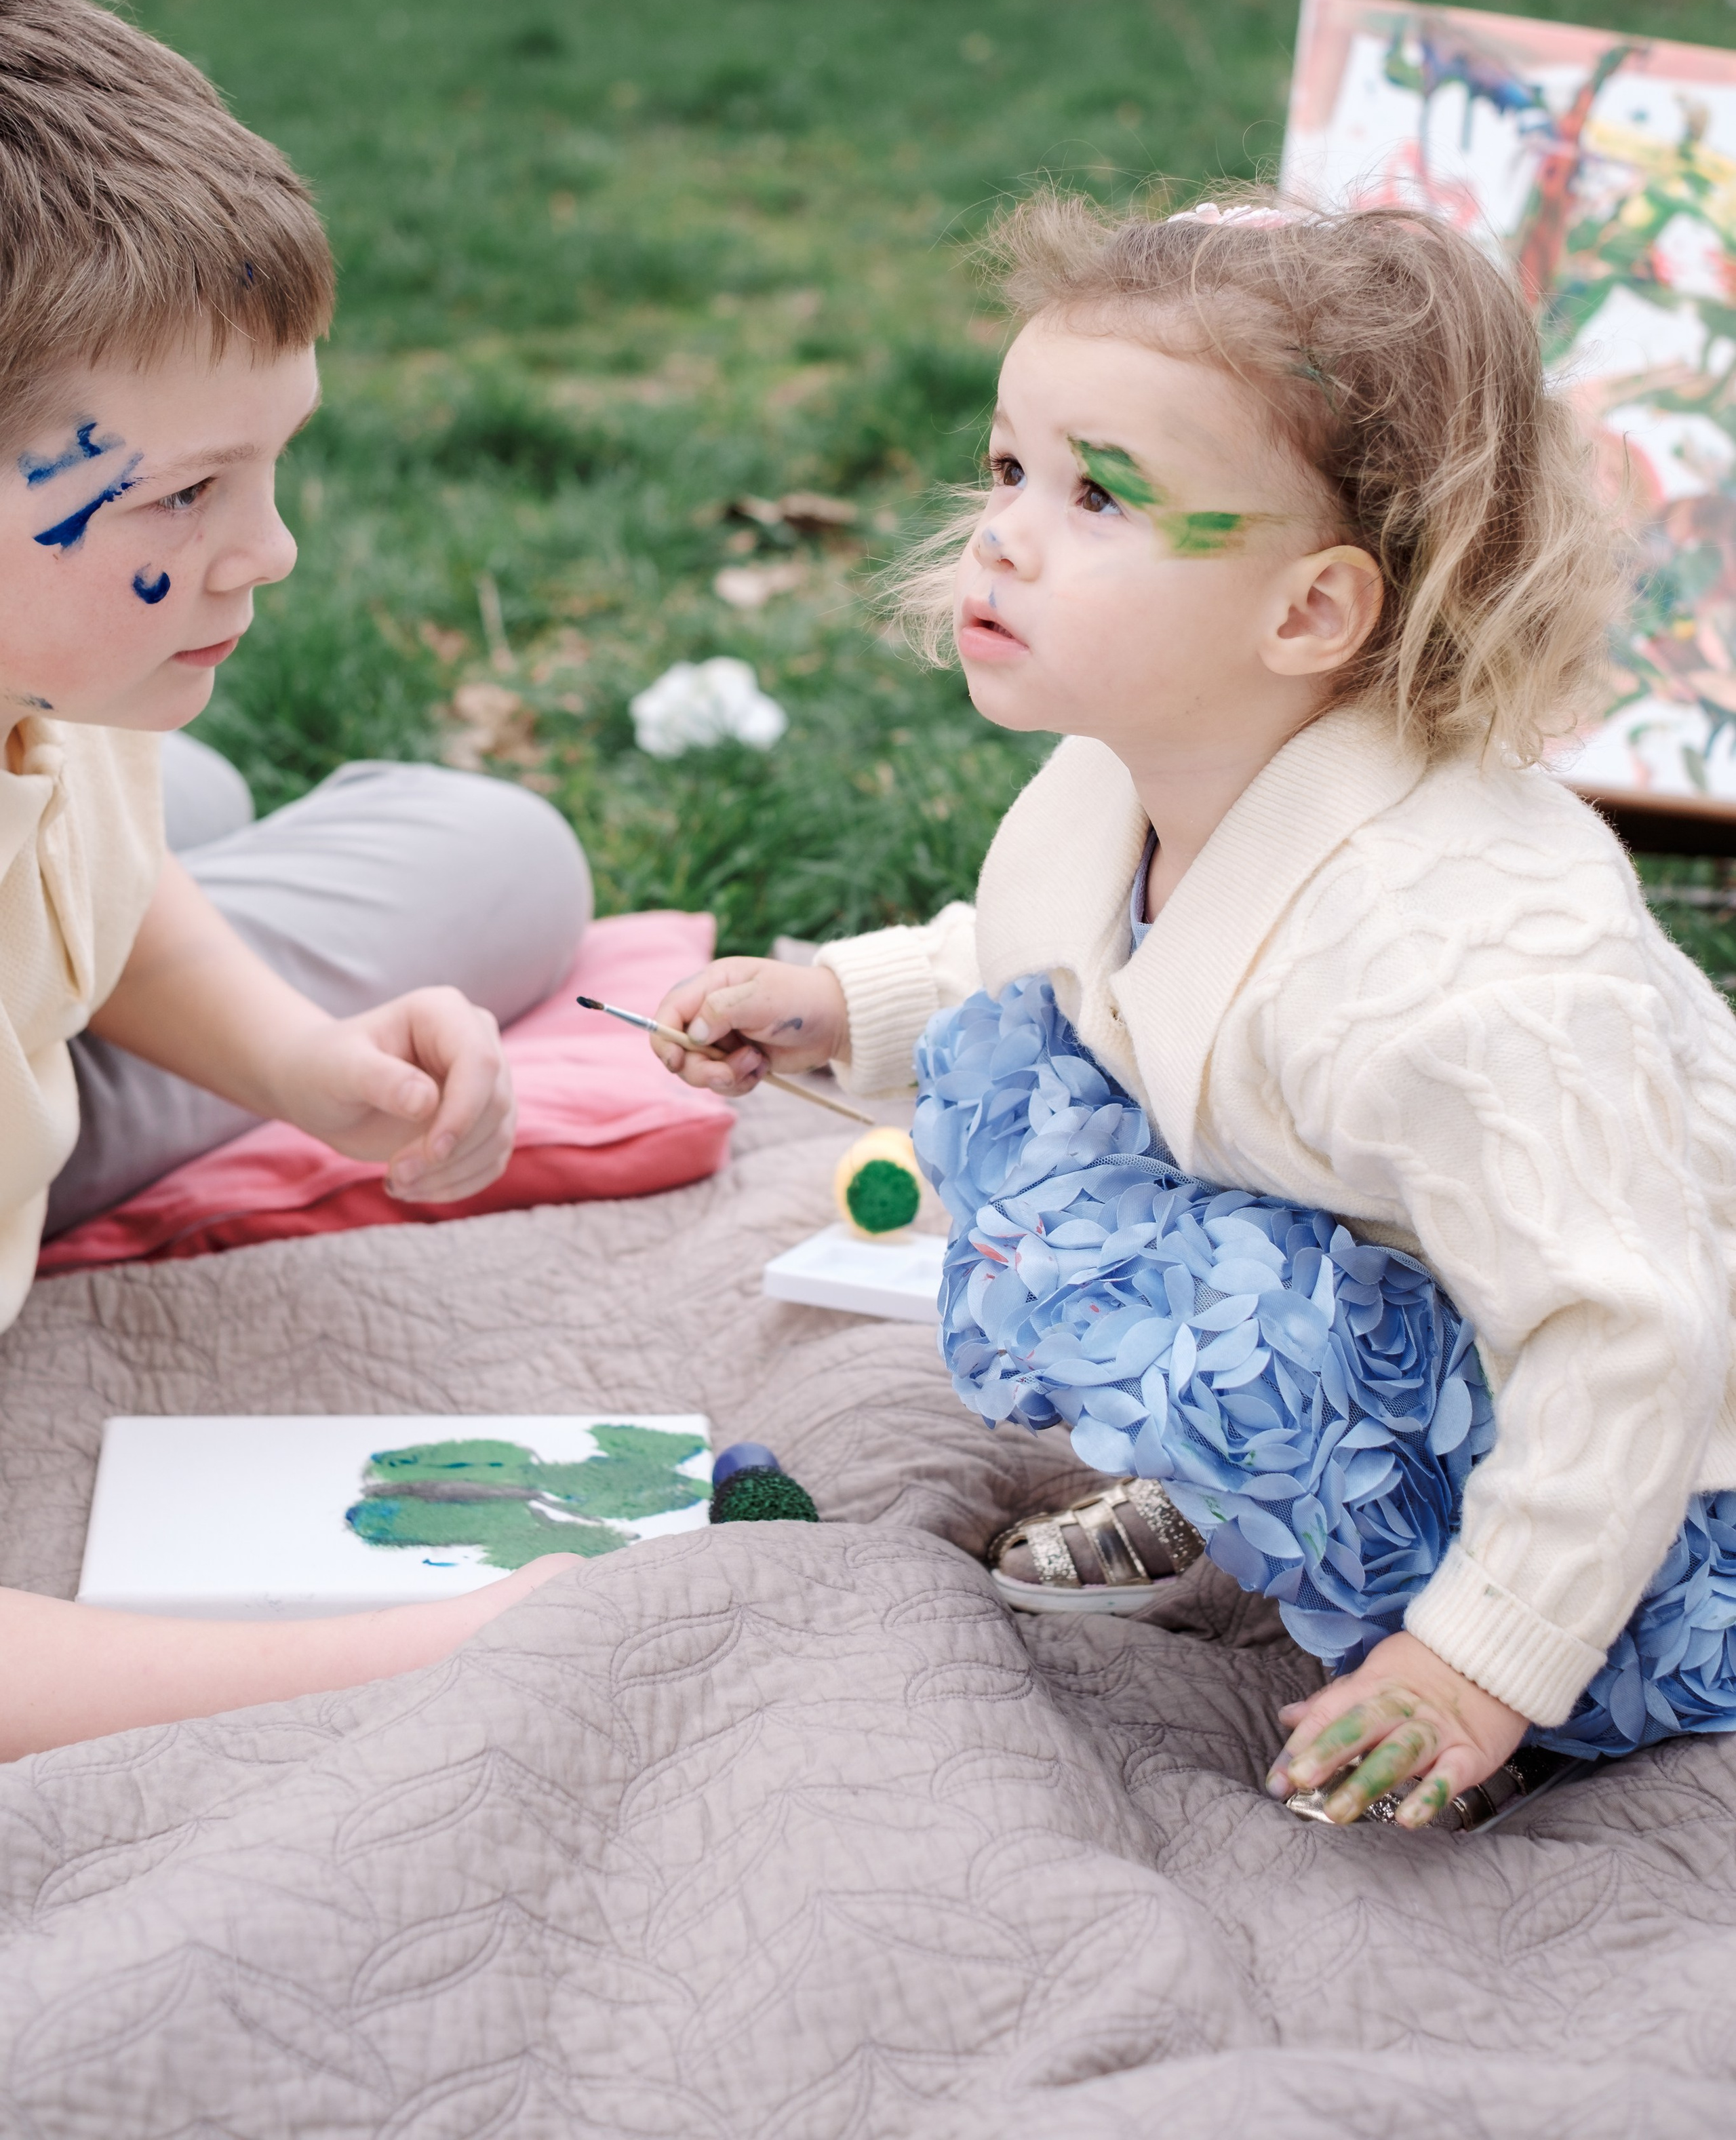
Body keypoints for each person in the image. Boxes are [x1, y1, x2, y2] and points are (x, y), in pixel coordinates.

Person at [654, 191, 1736, 1831]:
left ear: (1309, 611)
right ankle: (1291, 1500)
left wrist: (1476, 1662)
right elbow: (1047, 968)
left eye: (1100, 496)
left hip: (1666, 1480)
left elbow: (1622, 1346)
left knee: (1189, 1281)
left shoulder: (1465, 972)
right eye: (1009, 469)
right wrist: (828, 1006)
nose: (1003, 531)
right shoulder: (1116, 787)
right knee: (1028, 1091)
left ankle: (1474, 1611)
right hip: (1439, 1343)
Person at [0, 0, 590, 1758]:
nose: (273, 552)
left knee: (481, 854)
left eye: (274, 465)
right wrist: (434, 1645)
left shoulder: (71, 703)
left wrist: (305, 1073)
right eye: (183, 494)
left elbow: (100, 867)